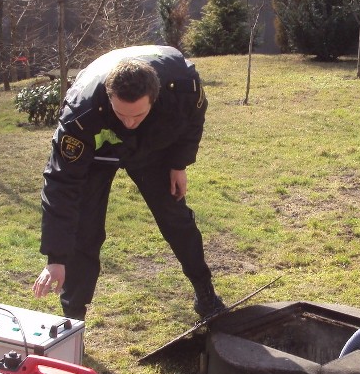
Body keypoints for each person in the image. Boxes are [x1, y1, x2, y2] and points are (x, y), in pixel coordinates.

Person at [32, 45, 224, 321]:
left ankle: (205, 293)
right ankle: (74, 319)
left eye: (137, 115)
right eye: (122, 115)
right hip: (97, 154)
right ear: (109, 97)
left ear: (153, 98)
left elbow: (193, 120)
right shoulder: (80, 114)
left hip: (151, 146)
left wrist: (179, 163)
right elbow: (61, 184)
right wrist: (56, 258)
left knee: (175, 217)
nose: (130, 122)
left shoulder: (182, 87)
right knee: (85, 232)